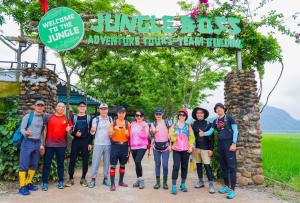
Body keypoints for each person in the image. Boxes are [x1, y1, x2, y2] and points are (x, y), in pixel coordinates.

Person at [200, 103, 239, 199]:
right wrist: (203, 133)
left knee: (232, 167)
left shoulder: (229, 118)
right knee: (224, 166)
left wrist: (234, 143)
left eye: (220, 108)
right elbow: (210, 132)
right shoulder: (215, 121)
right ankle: (226, 186)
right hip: (221, 146)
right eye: (216, 108)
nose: (218, 109)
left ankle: (232, 189)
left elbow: (236, 131)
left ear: (224, 109)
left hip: (229, 145)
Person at [41, 102, 72, 191]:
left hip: (61, 145)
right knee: (47, 164)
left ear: (64, 109)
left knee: (61, 164)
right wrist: (43, 143)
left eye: (63, 107)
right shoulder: (48, 117)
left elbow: (69, 132)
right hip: (49, 144)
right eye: (59, 106)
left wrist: (69, 130)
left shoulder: (67, 118)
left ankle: (61, 181)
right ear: (56, 107)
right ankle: (45, 183)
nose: (61, 108)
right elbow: (44, 130)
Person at [18, 100, 45, 195]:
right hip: (27, 142)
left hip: (37, 143)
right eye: (38, 105)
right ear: (35, 106)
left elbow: (41, 133)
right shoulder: (28, 116)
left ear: (43, 108)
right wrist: (26, 132)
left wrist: (42, 144)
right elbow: (22, 129)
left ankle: (28, 183)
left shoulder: (43, 118)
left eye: (42, 106)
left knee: (34, 164)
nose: (40, 107)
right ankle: (22, 187)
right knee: (24, 164)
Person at [66, 101, 92, 187]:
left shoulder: (89, 118)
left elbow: (91, 132)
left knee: (85, 160)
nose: (82, 107)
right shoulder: (74, 117)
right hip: (76, 141)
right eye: (80, 106)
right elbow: (70, 130)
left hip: (85, 141)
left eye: (83, 106)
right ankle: (71, 178)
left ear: (85, 108)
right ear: (78, 108)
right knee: (72, 159)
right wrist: (74, 133)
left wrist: (90, 143)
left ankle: (83, 178)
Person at [169, 109, 195, 195]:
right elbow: (169, 137)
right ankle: (173, 185)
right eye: (180, 115)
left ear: (186, 117)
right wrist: (173, 135)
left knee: (184, 167)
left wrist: (191, 146)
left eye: (183, 115)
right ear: (178, 116)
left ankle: (183, 184)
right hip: (176, 149)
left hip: (186, 150)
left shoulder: (188, 126)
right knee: (176, 166)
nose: (181, 116)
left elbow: (192, 137)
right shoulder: (174, 125)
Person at [191, 107, 215, 193]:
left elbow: (212, 138)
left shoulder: (209, 124)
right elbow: (191, 136)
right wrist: (191, 146)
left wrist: (211, 149)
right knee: (198, 165)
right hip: (196, 148)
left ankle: (211, 184)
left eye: (201, 113)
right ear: (195, 115)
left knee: (207, 166)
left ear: (204, 114)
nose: (200, 114)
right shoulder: (193, 124)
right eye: (198, 113)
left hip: (206, 148)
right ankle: (200, 181)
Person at [89, 103, 113, 188]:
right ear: (100, 110)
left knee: (107, 162)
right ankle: (93, 179)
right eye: (102, 109)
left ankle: (106, 178)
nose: (103, 110)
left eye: (105, 109)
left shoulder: (110, 119)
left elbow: (112, 132)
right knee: (95, 162)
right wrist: (92, 130)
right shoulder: (95, 119)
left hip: (108, 144)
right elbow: (92, 132)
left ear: (107, 110)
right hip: (98, 144)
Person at [108, 106, 131, 191]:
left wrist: (127, 134)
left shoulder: (128, 124)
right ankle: (112, 184)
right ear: (117, 113)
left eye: (123, 113)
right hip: (115, 146)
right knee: (113, 165)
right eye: (119, 113)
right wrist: (114, 130)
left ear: (125, 114)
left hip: (124, 146)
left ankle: (121, 181)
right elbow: (109, 135)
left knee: (122, 165)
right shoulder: (113, 123)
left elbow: (130, 137)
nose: (121, 114)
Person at [150, 108, 171, 190]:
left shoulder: (167, 122)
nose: (158, 115)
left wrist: (170, 144)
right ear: (154, 115)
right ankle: (157, 182)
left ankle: (165, 182)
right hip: (156, 147)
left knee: (165, 165)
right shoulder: (153, 123)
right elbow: (151, 133)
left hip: (166, 146)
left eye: (159, 114)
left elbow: (171, 132)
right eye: (156, 114)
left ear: (162, 114)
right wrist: (153, 132)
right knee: (157, 164)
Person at [130, 110, 149, 189]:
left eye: (140, 116)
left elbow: (145, 136)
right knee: (137, 163)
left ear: (143, 117)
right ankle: (138, 179)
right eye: (137, 115)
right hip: (133, 146)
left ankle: (141, 180)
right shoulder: (132, 124)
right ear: (135, 117)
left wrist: (142, 130)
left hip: (142, 146)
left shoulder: (145, 125)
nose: (139, 117)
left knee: (138, 161)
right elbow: (130, 135)